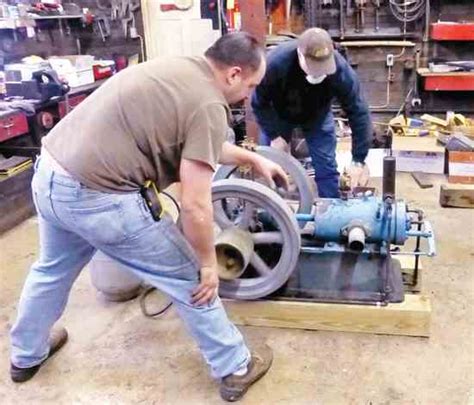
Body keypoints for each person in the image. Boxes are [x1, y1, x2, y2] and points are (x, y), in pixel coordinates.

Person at [10, 32, 288, 402]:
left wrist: (251, 158)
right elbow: (195, 204)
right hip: (98, 196)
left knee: (51, 268)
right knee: (189, 278)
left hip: (50, 178)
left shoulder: (180, 68)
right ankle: (235, 366)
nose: (249, 96)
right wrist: (206, 263)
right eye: (251, 85)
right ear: (234, 74)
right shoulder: (209, 104)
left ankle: (26, 355)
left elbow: (195, 140)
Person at [251, 27, 373, 198]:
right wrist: (274, 135)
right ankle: (271, 211)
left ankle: (330, 213)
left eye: (323, 67)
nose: (320, 72)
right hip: (278, 115)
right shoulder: (275, 63)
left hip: (317, 116)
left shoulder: (340, 70)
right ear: (300, 54)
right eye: (314, 66)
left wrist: (358, 160)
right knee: (271, 164)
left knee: (326, 167)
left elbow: (358, 111)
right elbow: (258, 103)